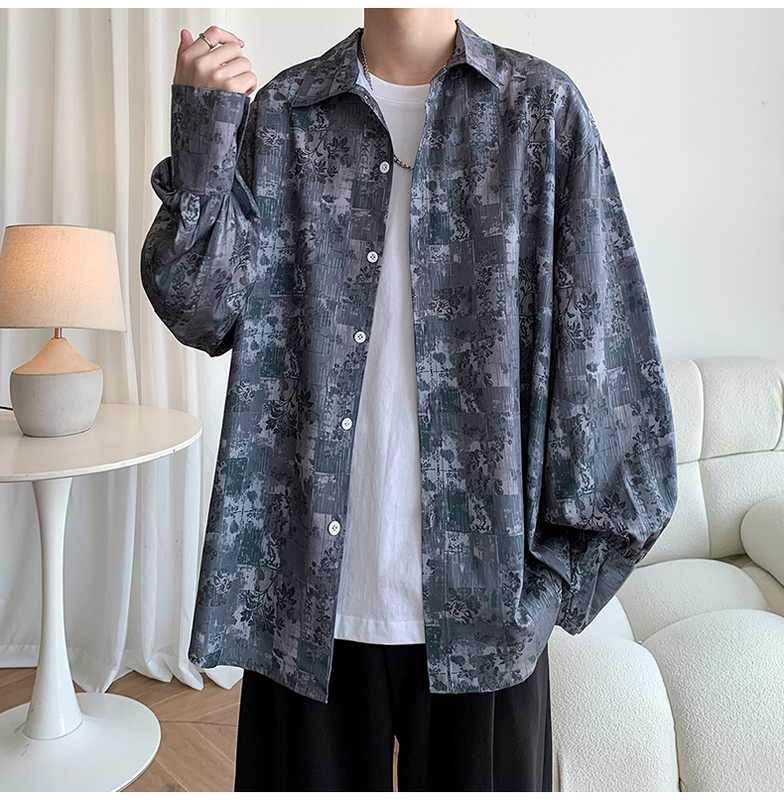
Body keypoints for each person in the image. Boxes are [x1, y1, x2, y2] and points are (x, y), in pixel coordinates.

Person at [141, 8, 678, 792]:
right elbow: (201, 312)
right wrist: (203, 132)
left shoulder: (539, 110)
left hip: (488, 609)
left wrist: (554, 579)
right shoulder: (286, 112)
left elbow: (607, 354)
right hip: (303, 601)